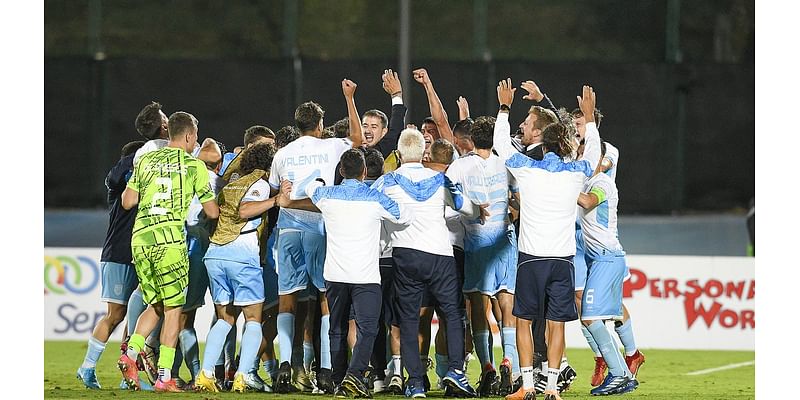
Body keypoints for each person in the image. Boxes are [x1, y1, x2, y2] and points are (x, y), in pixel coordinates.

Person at [493, 80, 601, 400]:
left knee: (523, 322)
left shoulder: (528, 169)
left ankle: (527, 386)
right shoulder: (575, 171)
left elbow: (501, 143)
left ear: (543, 143)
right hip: (563, 260)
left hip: (532, 259)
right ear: (566, 145)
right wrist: (589, 118)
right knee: (557, 325)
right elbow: (593, 152)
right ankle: (552, 387)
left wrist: (504, 108)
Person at [371, 128, 484, 398]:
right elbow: (465, 207)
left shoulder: (387, 182)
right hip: (440, 255)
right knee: (453, 315)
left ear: (398, 154)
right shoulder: (438, 179)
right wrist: (480, 209)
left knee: (409, 319)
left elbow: (367, 206)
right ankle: (456, 371)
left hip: (406, 256)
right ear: (423, 153)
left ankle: (416, 382)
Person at [268, 80, 364, 394]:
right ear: (321, 125)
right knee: (325, 299)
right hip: (319, 227)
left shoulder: (282, 153)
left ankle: (285, 366)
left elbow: (275, 189)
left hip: (288, 229)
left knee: (288, 299)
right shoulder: (331, 146)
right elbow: (359, 140)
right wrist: (349, 98)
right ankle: (324, 371)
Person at [118, 111, 220, 392]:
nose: (195, 142)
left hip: (141, 240)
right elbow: (211, 211)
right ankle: (164, 377)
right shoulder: (193, 165)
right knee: (174, 310)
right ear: (188, 136)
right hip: (169, 243)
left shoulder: (146, 159)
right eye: (195, 137)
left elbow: (128, 201)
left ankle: (130, 352)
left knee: (156, 304)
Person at [300, 149, 412, 397]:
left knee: (337, 327)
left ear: (341, 172)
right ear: (364, 172)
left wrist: (321, 180)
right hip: (365, 276)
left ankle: (340, 381)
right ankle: (355, 375)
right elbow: (403, 216)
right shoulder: (374, 199)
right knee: (369, 328)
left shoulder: (326, 196)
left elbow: (310, 186)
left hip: (335, 275)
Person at [195, 143, 282, 393]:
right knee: (254, 317)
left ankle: (206, 373)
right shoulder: (260, 183)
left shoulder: (232, 183)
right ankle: (243, 375)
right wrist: (275, 200)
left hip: (215, 254)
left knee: (226, 318)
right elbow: (245, 210)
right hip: (241, 253)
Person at [446, 116, 521, 396]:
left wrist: (468, 207)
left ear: (472, 140)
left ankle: (487, 365)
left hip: (476, 241)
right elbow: (517, 198)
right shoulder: (505, 164)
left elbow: (447, 191)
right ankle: (509, 359)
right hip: (505, 237)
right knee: (507, 300)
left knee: (479, 305)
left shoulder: (460, 166)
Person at [76, 140, 146, 390]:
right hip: (119, 253)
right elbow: (117, 178)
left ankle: (130, 375)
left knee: (136, 317)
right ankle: (87, 367)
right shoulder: (121, 183)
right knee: (115, 315)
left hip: (142, 253)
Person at [575, 140, 639, 395]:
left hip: (607, 257)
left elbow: (589, 202)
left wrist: (564, 186)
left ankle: (619, 372)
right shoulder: (587, 181)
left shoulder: (602, 183)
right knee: (597, 315)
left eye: (584, 152)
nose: (579, 157)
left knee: (589, 317)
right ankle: (623, 371)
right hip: (599, 257)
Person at [179, 138, 227, 388]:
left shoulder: (186, 178)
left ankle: (194, 372)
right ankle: (222, 372)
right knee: (226, 314)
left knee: (184, 316)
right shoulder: (222, 183)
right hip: (221, 250)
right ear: (219, 165)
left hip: (193, 249)